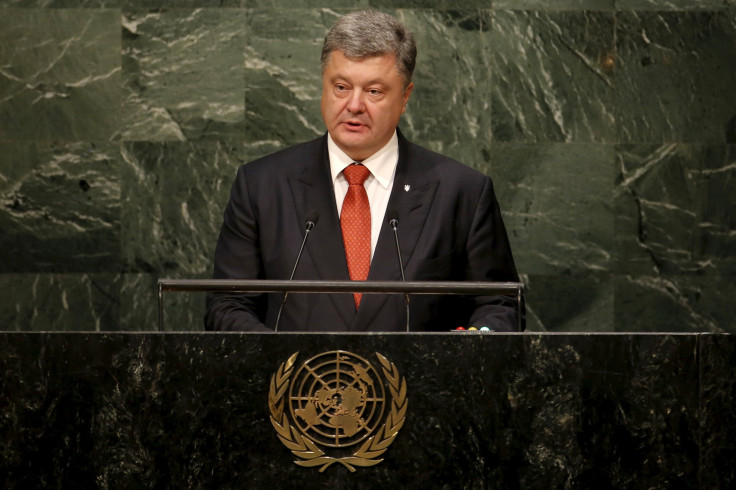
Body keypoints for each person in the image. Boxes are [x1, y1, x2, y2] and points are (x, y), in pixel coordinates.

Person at [205, 10, 522, 332]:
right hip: (299, 381)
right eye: (341, 87)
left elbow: (500, 304)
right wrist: (282, 359)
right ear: (323, 86)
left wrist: (471, 347)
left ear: (405, 97)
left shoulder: (462, 191)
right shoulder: (261, 185)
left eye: (374, 91)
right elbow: (228, 306)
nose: (354, 105)